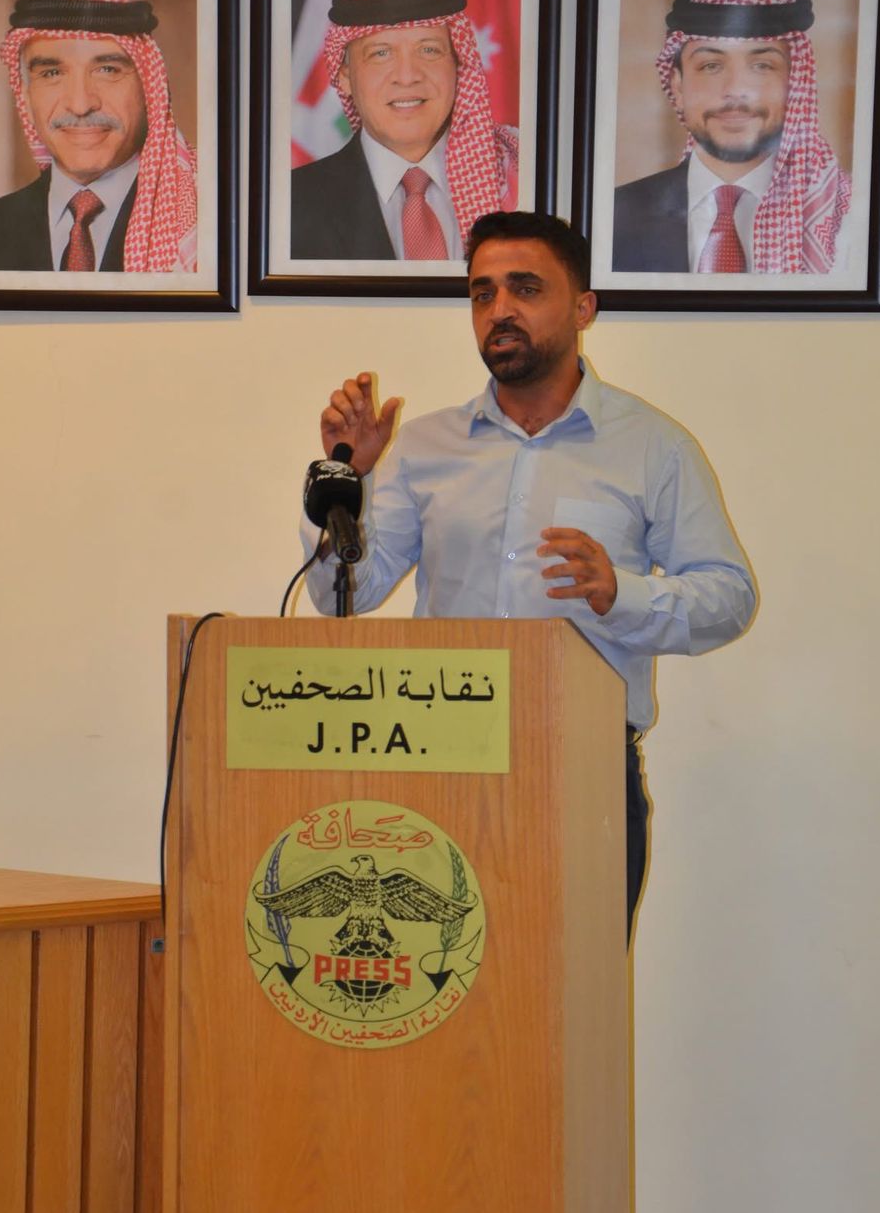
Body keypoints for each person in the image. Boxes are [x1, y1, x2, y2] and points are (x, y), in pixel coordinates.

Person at [301, 210, 756, 940]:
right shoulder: (425, 447)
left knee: (578, 991)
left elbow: (729, 597)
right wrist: (346, 480)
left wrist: (623, 594)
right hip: (436, 765)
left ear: (583, 308)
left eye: (525, 288)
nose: (499, 310)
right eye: (482, 293)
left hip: (583, 770)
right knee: (442, 984)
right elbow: (339, 596)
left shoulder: (653, 447)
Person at [612, 0, 851, 276]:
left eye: (762, 66)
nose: (736, 90)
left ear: (795, 83)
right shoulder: (614, 215)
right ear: (677, 85)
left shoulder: (844, 218)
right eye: (711, 66)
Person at [291, 0, 518, 261]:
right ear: (344, 76)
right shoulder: (290, 203)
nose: (408, 76)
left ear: (458, 63)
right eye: (381, 53)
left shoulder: (517, 177)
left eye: (429, 50)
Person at [0, 0, 198, 273]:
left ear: (149, 89)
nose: (80, 105)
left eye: (107, 69)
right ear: (25, 96)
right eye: (52, 74)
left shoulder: (203, 224)